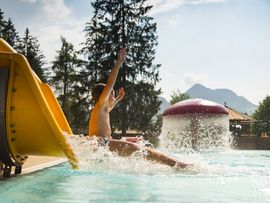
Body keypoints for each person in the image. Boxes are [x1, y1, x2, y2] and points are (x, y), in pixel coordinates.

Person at [88, 48, 191, 168]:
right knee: (143, 151)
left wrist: (119, 98)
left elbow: (111, 104)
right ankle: (177, 165)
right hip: (102, 144)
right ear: (103, 96)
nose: (113, 94)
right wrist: (118, 63)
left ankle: (171, 163)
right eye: (112, 93)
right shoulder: (101, 105)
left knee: (138, 145)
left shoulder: (101, 110)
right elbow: (110, 84)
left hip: (102, 144)